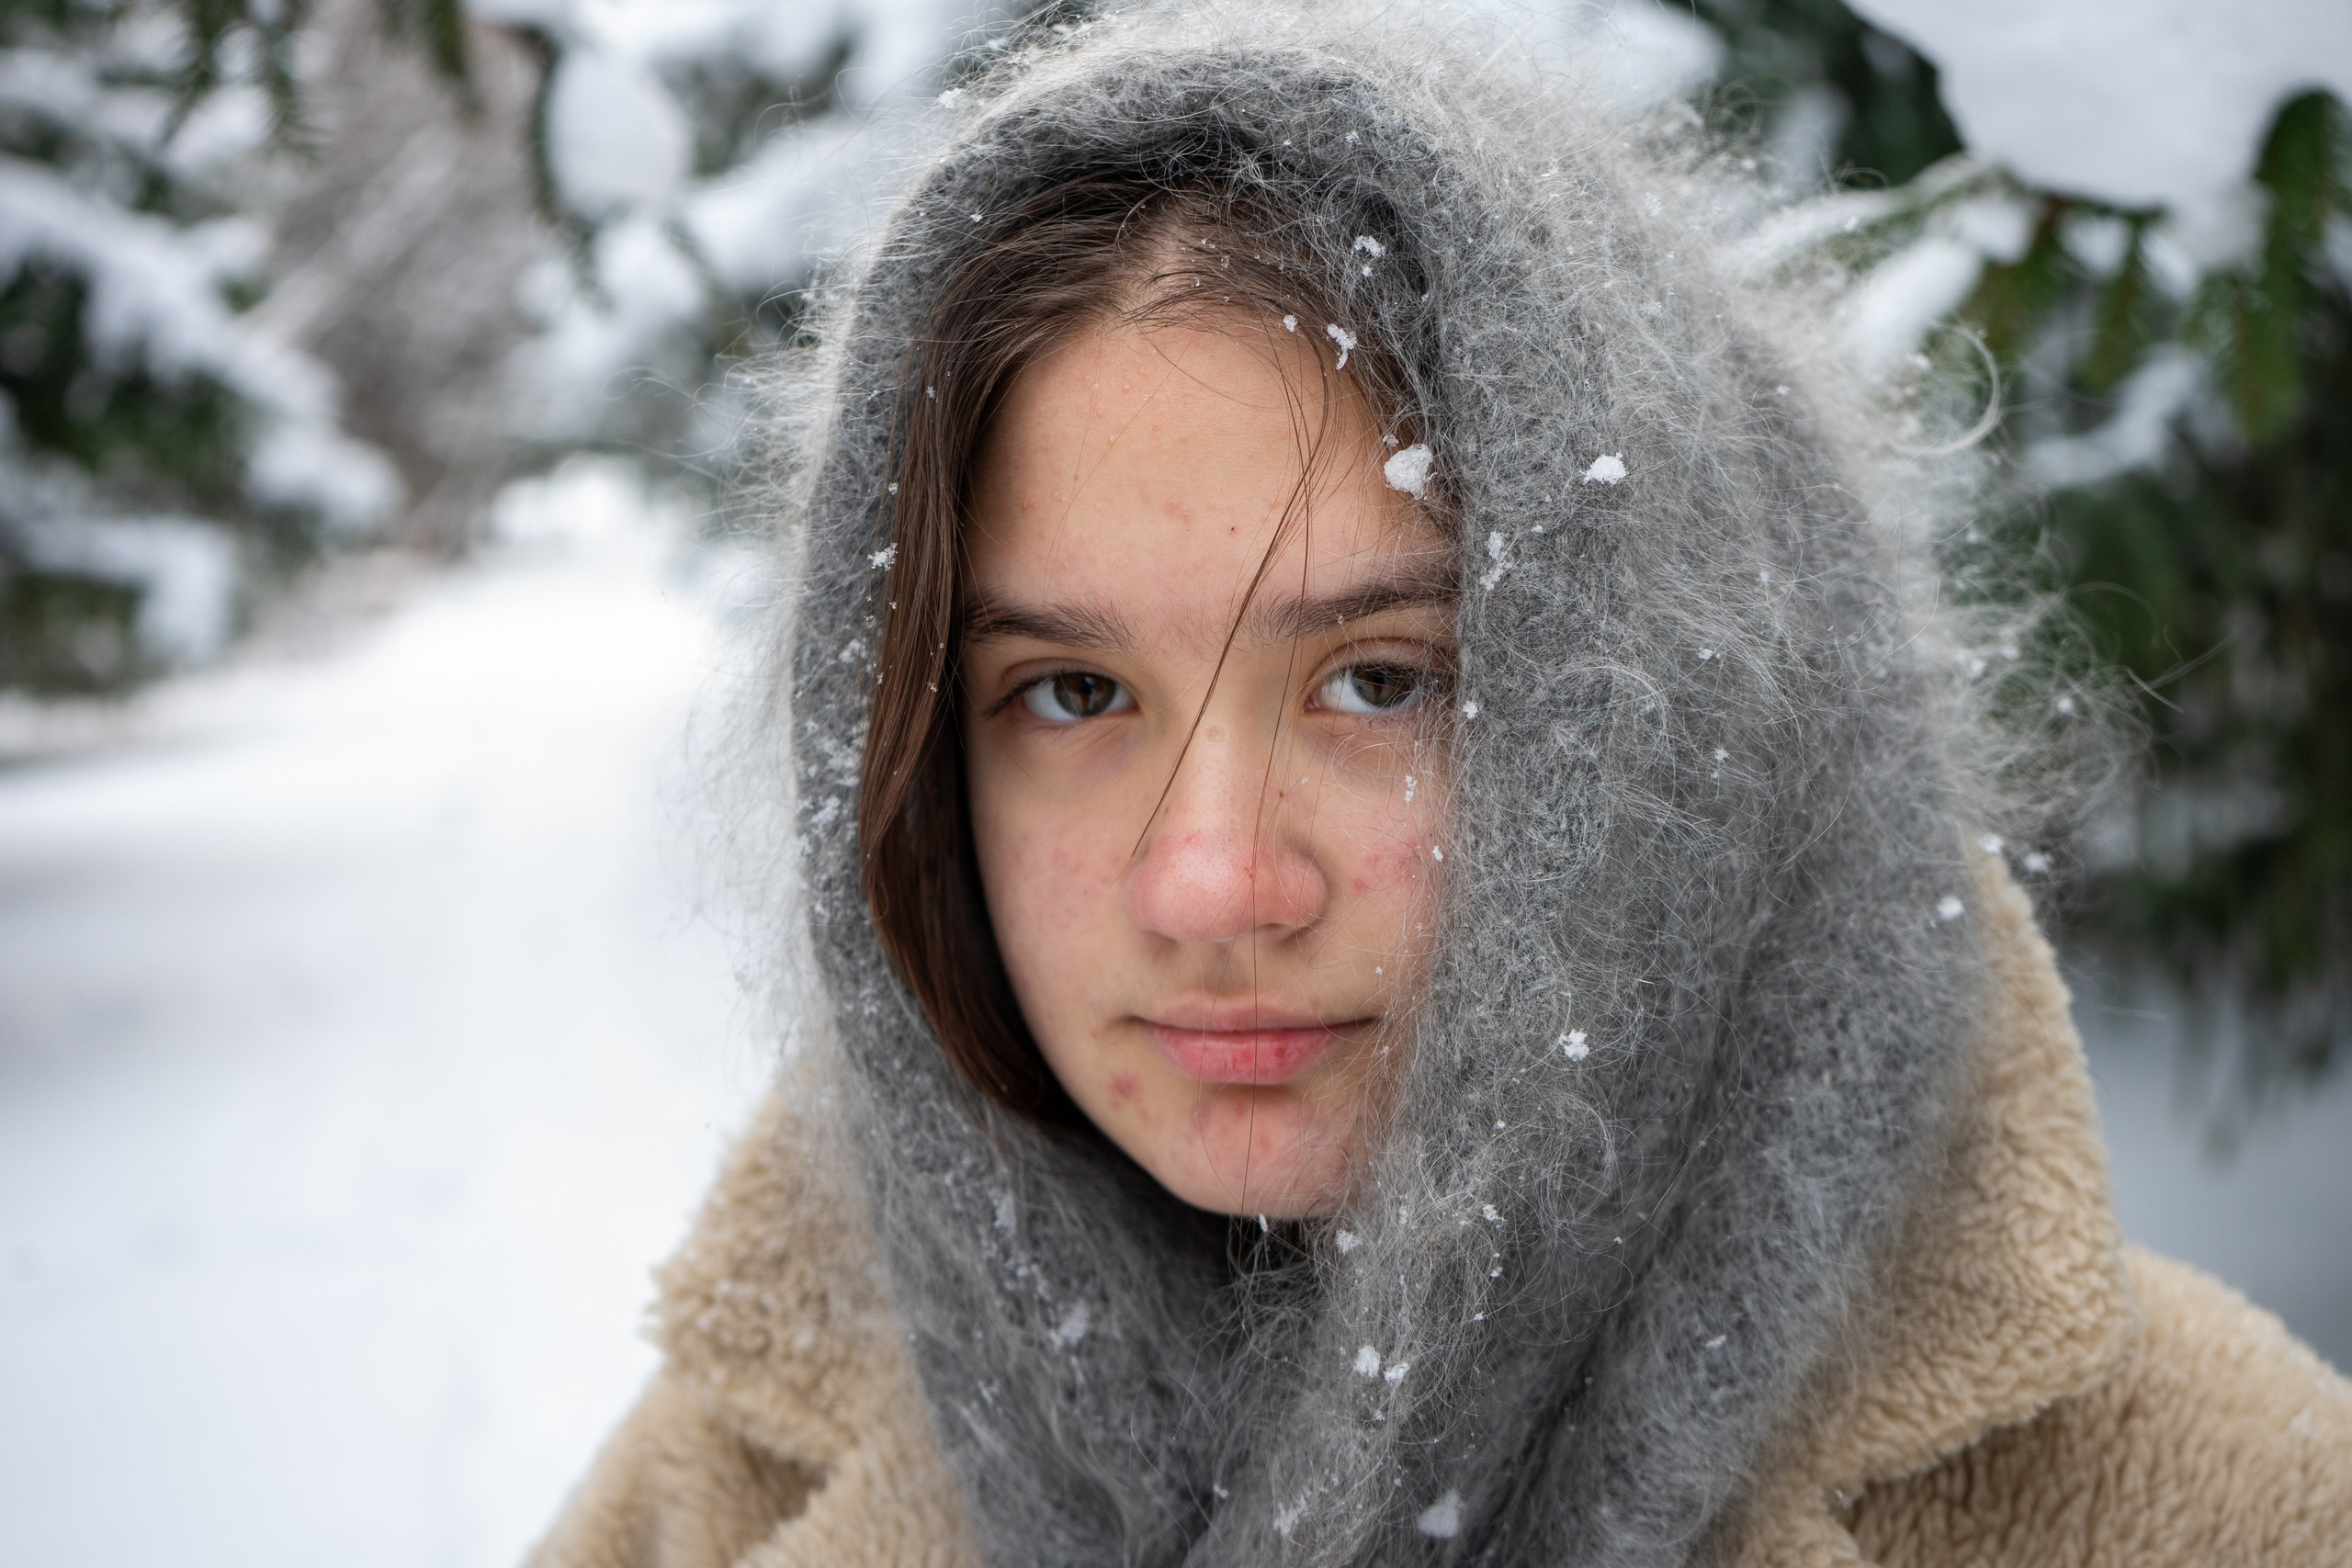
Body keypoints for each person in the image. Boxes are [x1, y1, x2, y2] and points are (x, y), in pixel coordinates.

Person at [526, 6, 2351, 1565]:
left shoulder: (2218, 1499)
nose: (1213, 880)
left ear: (1686, 727)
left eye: (1385, 679)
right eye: (1069, 689)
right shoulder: (723, 1477)